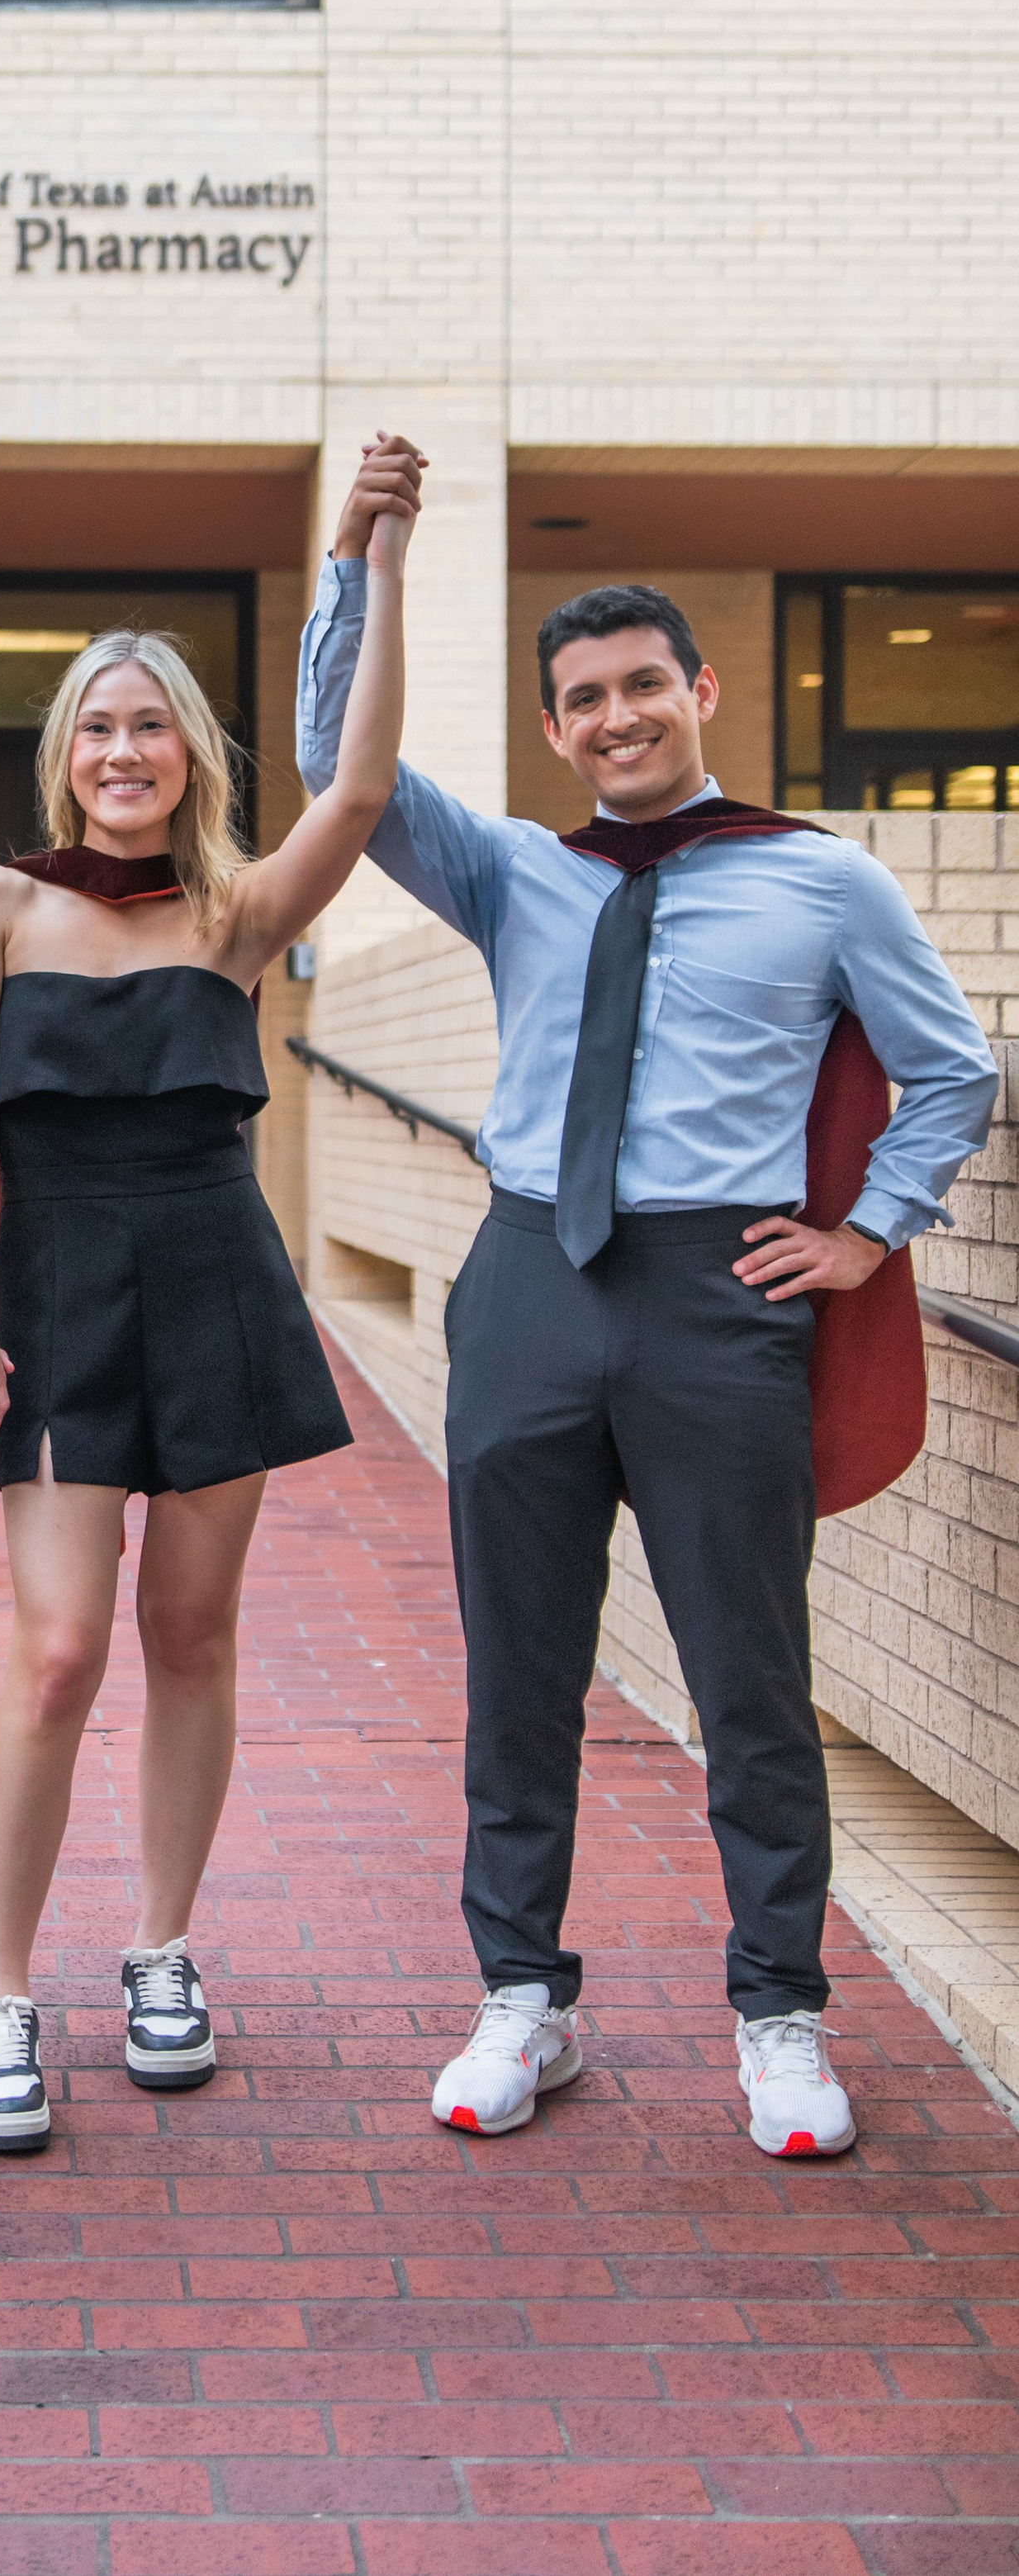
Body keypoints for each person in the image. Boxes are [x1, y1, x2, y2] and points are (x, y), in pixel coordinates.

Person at [298, 437, 998, 2158]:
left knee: (745, 1678)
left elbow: (951, 1070)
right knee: (515, 1671)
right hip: (529, 1275)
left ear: (697, 689)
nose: (612, 718)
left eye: (637, 686)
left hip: (716, 1297)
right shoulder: (509, 871)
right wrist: (359, 563)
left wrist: (865, 1233)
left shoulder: (819, 878)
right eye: (579, 700)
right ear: (550, 728)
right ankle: (520, 2002)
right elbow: (340, 765)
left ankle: (776, 2016)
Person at [0, 473, 418, 2152]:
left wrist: (373, 560)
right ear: (62, 749)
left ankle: (158, 1949)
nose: (122, 753)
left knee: (188, 1636)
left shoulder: (235, 911)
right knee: (57, 1648)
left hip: (213, 1278)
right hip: (54, 1289)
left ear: (190, 753)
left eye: (150, 729)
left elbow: (358, 784)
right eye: (95, 729)